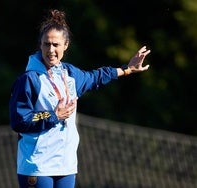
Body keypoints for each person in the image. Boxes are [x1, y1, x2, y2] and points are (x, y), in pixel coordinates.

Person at [9, 9, 151, 188]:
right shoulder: (29, 79)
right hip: (37, 165)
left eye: (55, 44)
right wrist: (54, 116)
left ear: (66, 45)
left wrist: (127, 69)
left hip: (66, 165)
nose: (50, 50)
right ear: (40, 45)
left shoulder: (70, 74)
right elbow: (19, 120)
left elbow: (96, 77)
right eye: (46, 44)